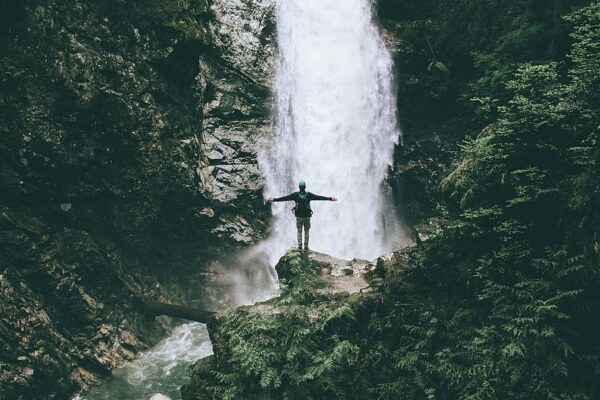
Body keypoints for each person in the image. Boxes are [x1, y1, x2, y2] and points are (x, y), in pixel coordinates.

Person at [266, 181, 337, 251]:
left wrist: (274, 200)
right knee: (306, 231)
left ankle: (300, 247)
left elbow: (285, 198)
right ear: (305, 187)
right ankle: (306, 247)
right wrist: (330, 198)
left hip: (299, 216)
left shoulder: (295, 195)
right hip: (307, 216)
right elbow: (319, 197)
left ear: (299, 187)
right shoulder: (309, 195)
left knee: (299, 231)